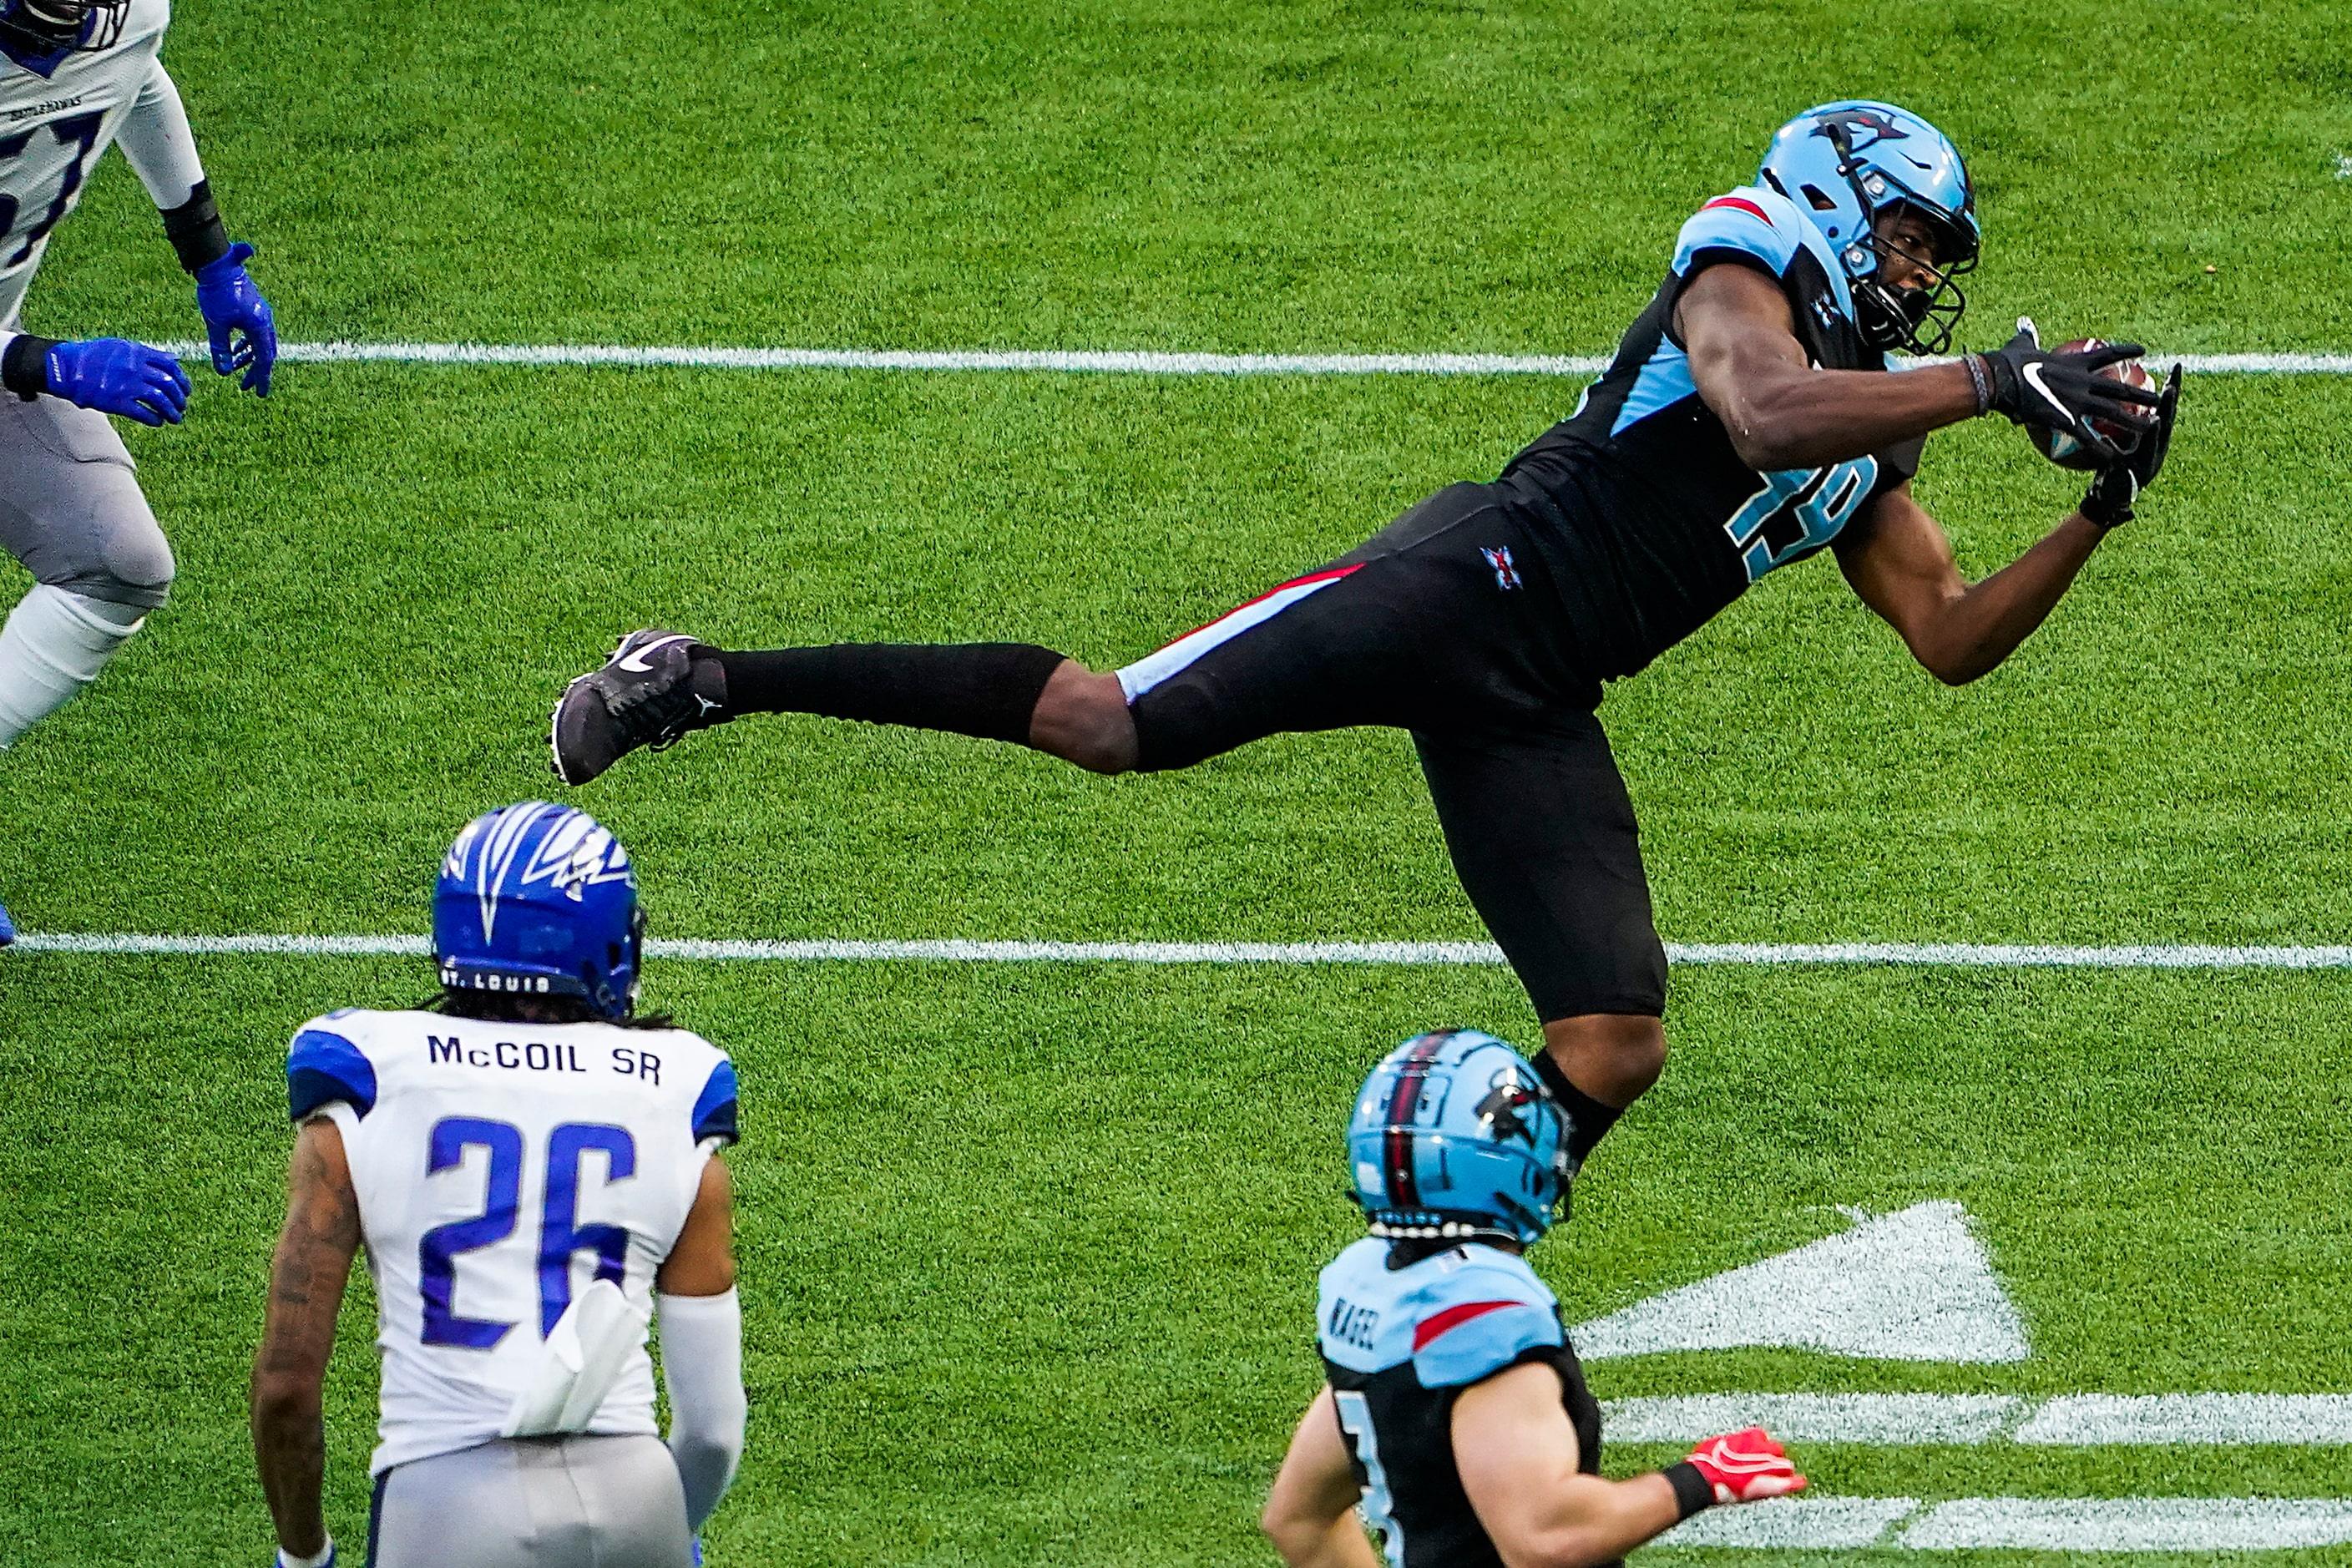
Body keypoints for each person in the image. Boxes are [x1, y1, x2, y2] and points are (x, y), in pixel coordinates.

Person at [546, 100, 2180, 1188]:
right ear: (1832, 198)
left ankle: (1437, 1290)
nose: (1917, 282)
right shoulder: (1742, 267)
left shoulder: (1874, 430)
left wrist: (2091, 512)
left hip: (1537, 695)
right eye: (1904, 243)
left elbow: (1948, 638)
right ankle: (706, 675)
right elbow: (1755, 412)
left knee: (1613, 1041)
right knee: (1110, 721)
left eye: (1932, 265)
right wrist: (1986, 389)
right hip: (1464, 584)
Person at [249, 802, 746, 1568]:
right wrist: (669, 1528)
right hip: (637, 1494)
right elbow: (711, 1430)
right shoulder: (675, 1086)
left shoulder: (370, 1075)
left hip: (448, 1503)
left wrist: (304, 1556)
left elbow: (285, 1388)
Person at [1261, 1028, 1803, 1568]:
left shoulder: (1370, 1284)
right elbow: (1542, 1536)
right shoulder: (1483, 1312)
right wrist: (1702, 1478)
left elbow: (1298, 1521)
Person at [0, 0, 279, 943]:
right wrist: (47, 365)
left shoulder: (122, 12)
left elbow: (136, 72)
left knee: (119, 559)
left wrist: (209, 258)